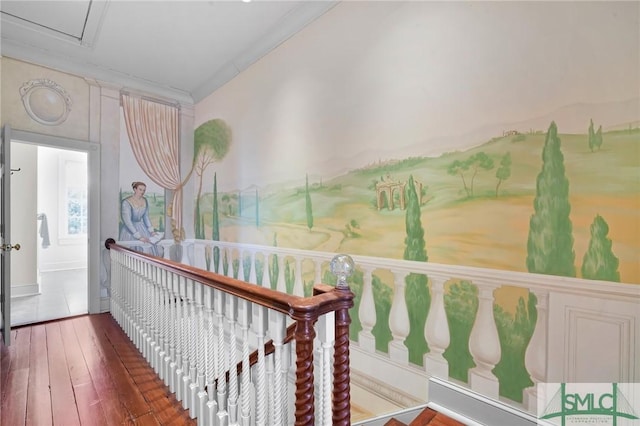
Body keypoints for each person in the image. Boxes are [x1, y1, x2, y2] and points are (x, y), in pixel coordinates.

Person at [119, 181, 162, 256]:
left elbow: (146, 217)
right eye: (140, 189)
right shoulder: (126, 202)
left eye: (144, 190)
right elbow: (127, 221)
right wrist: (138, 236)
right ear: (135, 189)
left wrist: (151, 231)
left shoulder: (144, 200)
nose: (142, 192)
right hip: (130, 231)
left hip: (142, 228)